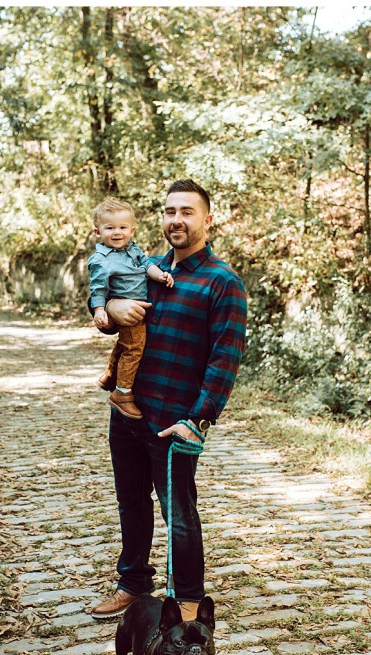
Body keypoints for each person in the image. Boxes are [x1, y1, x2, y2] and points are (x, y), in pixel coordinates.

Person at [89, 180, 247, 623]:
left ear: (207, 220)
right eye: (169, 211)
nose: (176, 219)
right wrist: (110, 310)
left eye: (187, 212)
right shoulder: (144, 267)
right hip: (129, 412)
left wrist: (198, 419)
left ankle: (187, 598)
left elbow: (225, 358)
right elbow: (109, 315)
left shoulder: (221, 282)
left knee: (178, 512)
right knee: (130, 502)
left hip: (173, 421)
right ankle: (133, 584)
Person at [87, 197, 174, 419]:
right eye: (110, 228)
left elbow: (147, 266)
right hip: (130, 311)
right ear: (97, 232)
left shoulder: (133, 250)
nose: (117, 233)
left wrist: (161, 276)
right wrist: (101, 310)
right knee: (134, 349)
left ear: (132, 230)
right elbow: (98, 289)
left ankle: (110, 375)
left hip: (136, 308)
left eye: (123, 227)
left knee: (125, 344)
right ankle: (122, 394)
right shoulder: (101, 260)